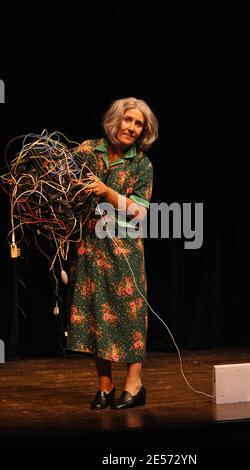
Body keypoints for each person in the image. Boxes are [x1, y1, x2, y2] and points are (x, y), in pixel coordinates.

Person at [66, 97, 158, 410]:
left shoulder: (141, 164)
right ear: (115, 120)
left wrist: (107, 193)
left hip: (125, 248)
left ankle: (135, 383)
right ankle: (105, 386)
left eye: (138, 124)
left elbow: (140, 214)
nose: (132, 128)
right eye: (128, 120)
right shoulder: (86, 151)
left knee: (130, 314)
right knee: (97, 313)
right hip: (91, 246)